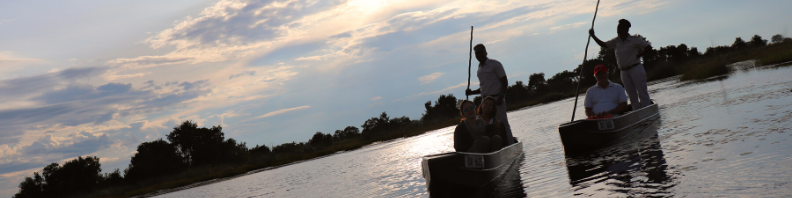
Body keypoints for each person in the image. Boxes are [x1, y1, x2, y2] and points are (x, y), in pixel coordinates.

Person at [589, 19, 653, 110]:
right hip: (624, 71)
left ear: (626, 31)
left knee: (642, 92)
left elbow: (648, 47)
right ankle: (636, 112)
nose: (619, 34)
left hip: (636, 68)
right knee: (631, 95)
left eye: (621, 32)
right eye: (618, 32)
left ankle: (647, 110)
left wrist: (639, 54)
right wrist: (593, 36)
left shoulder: (635, 40)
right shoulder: (616, 41)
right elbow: (604, 45)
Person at [465, 44, 515, 144]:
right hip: (485, 101)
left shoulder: (495, 64)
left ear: (485, 53)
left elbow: (504, 81)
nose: (479, 55)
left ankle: (510, 145)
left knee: (503, 124)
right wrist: (471, 92)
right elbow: (484, 88)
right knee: (485, 125)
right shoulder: (479, 69)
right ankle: (493, 146)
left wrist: (501, 96)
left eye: (480, 52)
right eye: (476, 54)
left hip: (497, 99)